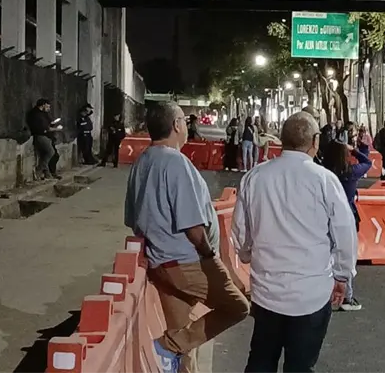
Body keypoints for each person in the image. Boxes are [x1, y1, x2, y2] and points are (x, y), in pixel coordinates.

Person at [125, 102, 249, 373]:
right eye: (183, 119)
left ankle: (173, 350)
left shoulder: (142, 162)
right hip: (188, 261)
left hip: (160, 264)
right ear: (177, 125)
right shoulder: (176, 162)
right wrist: (209, 256)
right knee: (237, 307)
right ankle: (165, 346)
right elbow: (193, 225)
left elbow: (132, 219)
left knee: (184, 341)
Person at [233, 111, 356, 371]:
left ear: (281, 139)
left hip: (267, 292)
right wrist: (342, 276)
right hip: (311, 294)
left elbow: (240, 231)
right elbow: (345, 233)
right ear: (315, 141)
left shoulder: (255, 177)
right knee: (300, 365)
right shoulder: (324, 180)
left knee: (261, 360)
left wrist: (247, 256)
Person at [322, 140, 372, 311]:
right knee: (346, 254)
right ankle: (347, 297)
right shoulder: (350, 172)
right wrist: (355, 151)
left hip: (324, 216)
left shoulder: (323, 173)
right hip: (348, 215)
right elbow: (368, 162)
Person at [26, 98, 63, 180]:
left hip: (48, 136)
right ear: (43, 105)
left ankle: (47, 173)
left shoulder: (44, 114)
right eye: (47, 106)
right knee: (51, 152)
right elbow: (44, 128)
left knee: (48, 154)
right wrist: (57, 129)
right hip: (41, 135)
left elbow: (48, 123)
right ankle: (39, 169)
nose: (49, 108)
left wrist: (52, 123)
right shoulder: (36, 114)